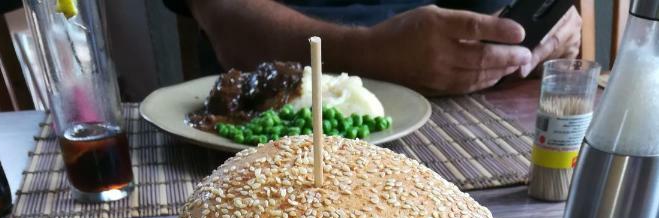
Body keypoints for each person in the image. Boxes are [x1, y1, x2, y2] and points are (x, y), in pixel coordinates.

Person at [167, 0, 582, 95]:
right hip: (271, 108)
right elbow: (225, 20)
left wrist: (549, 29)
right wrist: (367, 52)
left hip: (476, 115)